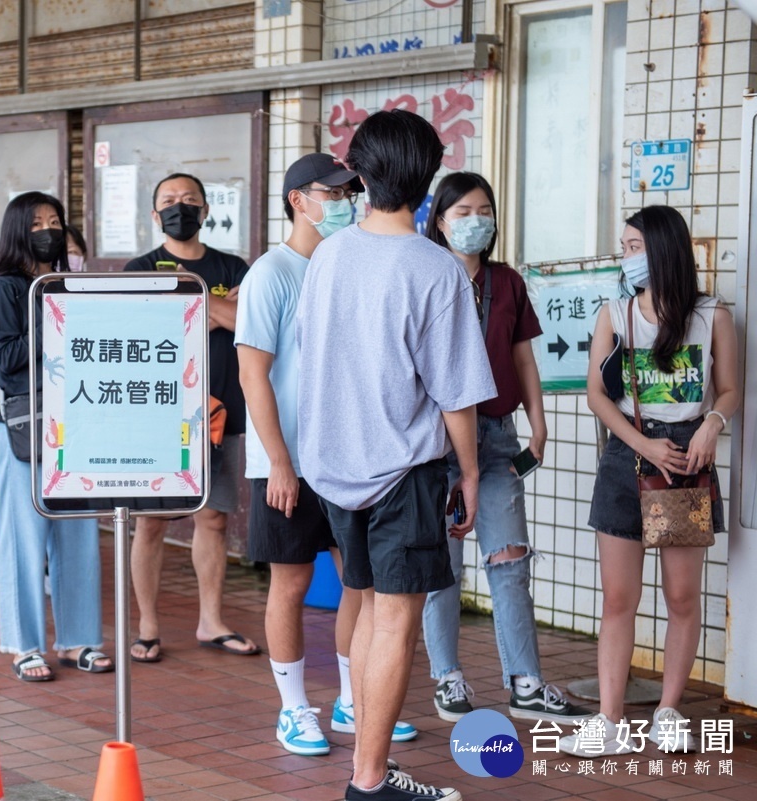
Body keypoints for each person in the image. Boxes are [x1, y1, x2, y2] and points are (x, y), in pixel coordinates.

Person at [298, 110, 496, 801]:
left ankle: (369, 765)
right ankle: (369, 778)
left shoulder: (329, 254)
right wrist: (470, 474)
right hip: (402, 470)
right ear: (428, 177)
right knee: (396, 621)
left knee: (371, 606)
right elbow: (457, 393)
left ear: (360, 173)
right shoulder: (434, 267)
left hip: (334, 466)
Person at [236, 153, 418, 756]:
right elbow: (253, 375)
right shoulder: (272, 273)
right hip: (286, 462)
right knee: (289, 583)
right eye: (333, 192)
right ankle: (292, 710)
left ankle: (351, 699)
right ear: (298, 200)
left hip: (348, 457)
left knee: (357, 585)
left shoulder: (348, 265)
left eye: (351, 192)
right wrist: (280, 462)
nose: (345, 201)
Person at [559, 205, 738, 757]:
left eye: (635, 246)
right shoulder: (615, 313)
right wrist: (641, 444)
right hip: (627, 458)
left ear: (664, 249)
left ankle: (668, 711)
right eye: (625, 247)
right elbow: (596, 395)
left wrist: (712, 423)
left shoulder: (713, 315)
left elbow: (730, 389)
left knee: (682, 596)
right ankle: (609, 721)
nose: (627, 256)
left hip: (686, 463)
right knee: (619, 598)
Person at [420, 172, 591, 726]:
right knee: (441, 567)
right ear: (440, 220)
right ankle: (447, 678)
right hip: (432, 440)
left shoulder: (507, 282)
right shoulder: (421, 275)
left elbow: (523, 359)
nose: (476, 221)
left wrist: (538, 425)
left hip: (496, 435)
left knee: (510, 559)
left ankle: (526, 683)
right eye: (463, 210)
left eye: (484, 210)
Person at [124, 173, 256, 662]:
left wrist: (186, 300)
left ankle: (211, 621)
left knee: (215, 518)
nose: (181, 208)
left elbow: (246, 322)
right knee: (151, 523)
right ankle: (148, 627)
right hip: (159, 412)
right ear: (155, 216)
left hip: (223, 410)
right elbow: (147, 326)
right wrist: (217, 306)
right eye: (170, 202)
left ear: (205, 210)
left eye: (190, 201)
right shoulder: (139, 268)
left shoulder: (233, 264)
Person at [0, 192, 114, 681]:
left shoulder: (68, 283)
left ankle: (79, 640)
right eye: (36, 222)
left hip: (76, 425)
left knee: (79, 535)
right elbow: (6, 355)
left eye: (54, 221)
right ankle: (23, 645)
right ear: (18, 229)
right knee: (22, 538)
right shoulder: (6, 288)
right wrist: (55, 315)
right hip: (22, 430)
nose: (48, 229)